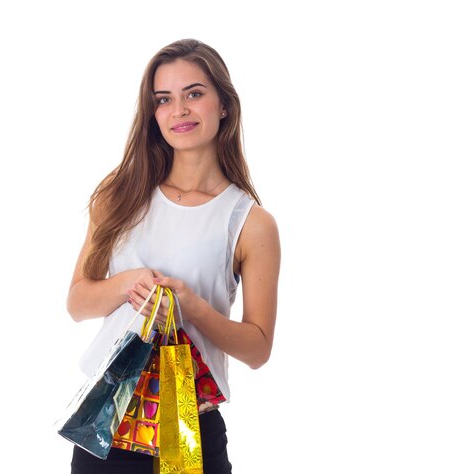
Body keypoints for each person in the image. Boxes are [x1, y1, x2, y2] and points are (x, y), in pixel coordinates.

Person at [66, 38, 281, 474]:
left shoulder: (250, 222)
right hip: (108, 419)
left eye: (194, 94)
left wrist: (193, 308)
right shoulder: (119, 194)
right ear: (153, 113)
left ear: (224, 105)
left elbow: (258, 349)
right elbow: (77, 303)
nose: (178, 110)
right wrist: (127, 284)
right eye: (164, 100)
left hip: (187, 424)